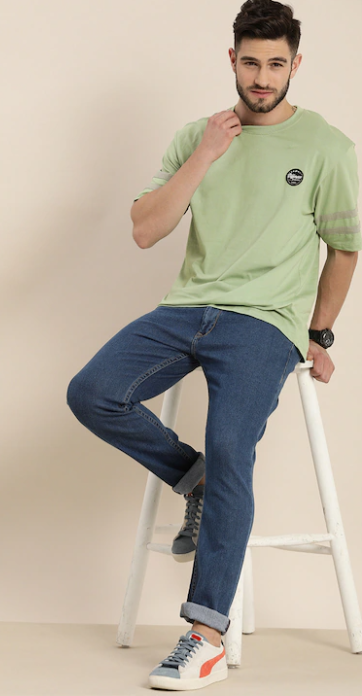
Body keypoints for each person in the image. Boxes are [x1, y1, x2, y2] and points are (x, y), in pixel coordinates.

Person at [66, 0, 361, 690]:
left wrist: (316, 333)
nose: (263, 77)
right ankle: (192, 479)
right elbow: (145, 230)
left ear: (296, 64)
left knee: (234, 446)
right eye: (252, 62)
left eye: (277, 64)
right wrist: (205, 153)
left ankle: (204, 636)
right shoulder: (198, 136)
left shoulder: (327, 147)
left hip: (263, 323)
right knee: (93, 392)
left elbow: (345, 249)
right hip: (187, 308)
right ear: (232, 60)